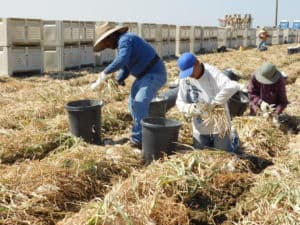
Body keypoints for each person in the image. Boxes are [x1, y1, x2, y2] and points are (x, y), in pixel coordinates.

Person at [91, 22, 167, 149]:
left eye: (106, 42)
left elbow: (122, 60)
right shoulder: (123, 44)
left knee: (139, 102)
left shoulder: (126, 39)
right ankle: (143, 131)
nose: (108, 46)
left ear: (112, 36)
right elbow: (126, 67)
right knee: (132, 104)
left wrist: (104, 73)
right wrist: (118, 79)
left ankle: (138, 140)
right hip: (142, 77)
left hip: (154, 74)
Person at [175, 53, 240, 152]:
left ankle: (234, 139)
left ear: (197, 63)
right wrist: (190, 108)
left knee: (223, 155)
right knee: (201, 155)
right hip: (200, 125)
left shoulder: (212, 72)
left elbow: (233, 86)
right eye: (187, 73)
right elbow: (179, 102)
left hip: (219, 124)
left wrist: (214, 103)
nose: (190, 75)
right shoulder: (186, 78)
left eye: (191, 72)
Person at [248, 62, 289, 126]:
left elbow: (283, 102)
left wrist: (275, 114)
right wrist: (260, 102)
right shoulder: (254, 77)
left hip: (272, 110)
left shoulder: (279, 80)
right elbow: (251, 93)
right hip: (256, 107)